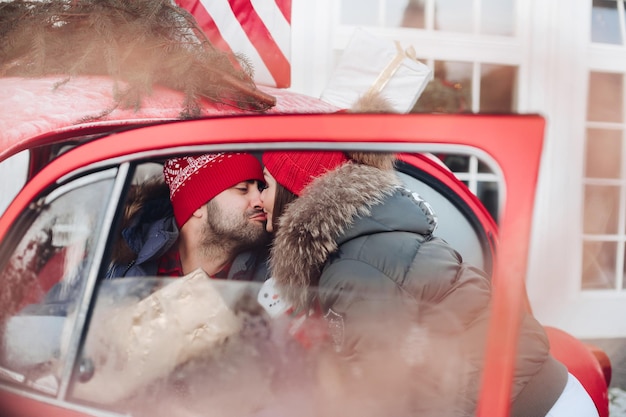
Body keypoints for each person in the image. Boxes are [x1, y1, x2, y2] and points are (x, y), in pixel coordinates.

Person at [258, 150, 599, 417]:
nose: (259, 199)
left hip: (534, 407)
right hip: (539, 395)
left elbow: (377, 395)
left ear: (294, 192)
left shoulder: (354, 267)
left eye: (266, 184)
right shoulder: (366, 242)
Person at [107, 151, 270, 282]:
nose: (261, 200)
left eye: (261, 187)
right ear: (197, 205)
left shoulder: (275, 277)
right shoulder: (119, 263)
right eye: (243, 189)